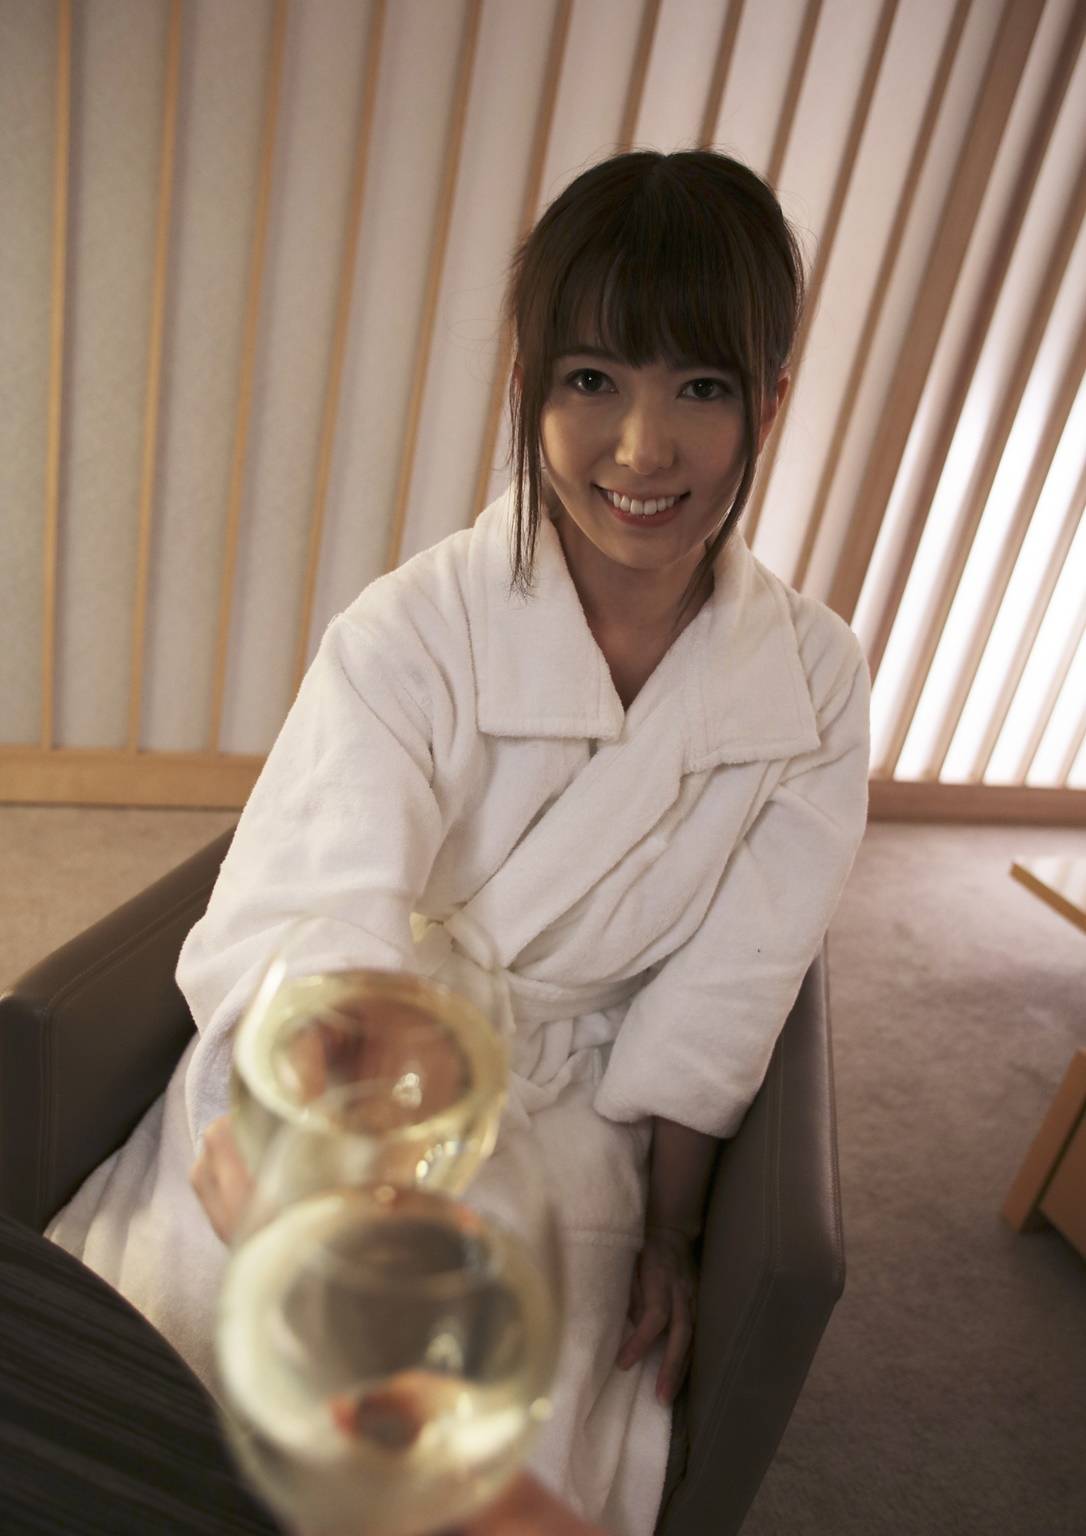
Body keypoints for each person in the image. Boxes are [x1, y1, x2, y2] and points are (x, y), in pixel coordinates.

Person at [47, 149, 870, 1535]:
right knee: (182, 1390)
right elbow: (320, 901)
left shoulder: (815, 683)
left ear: (770, 401)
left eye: (701, 388)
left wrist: (674, 1231)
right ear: (528, 384)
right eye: (591, 379)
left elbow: (731, 982)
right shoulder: (411, 628)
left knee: (485, 1422)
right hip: (352, 1068)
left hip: (580, 1107)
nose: (640, 449)